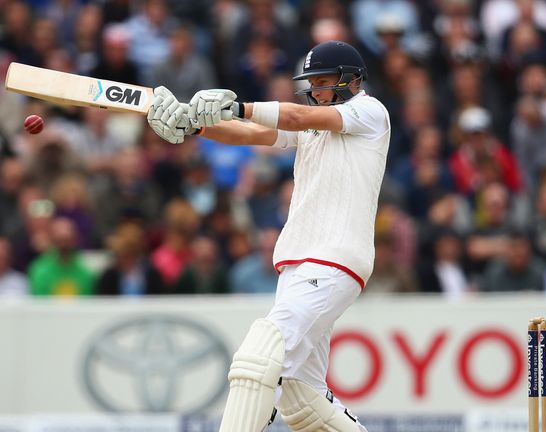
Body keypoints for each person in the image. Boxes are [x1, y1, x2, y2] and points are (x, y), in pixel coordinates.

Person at [147, 40, 388, 432]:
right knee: (301, 396)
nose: (316, 91)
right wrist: (193, 124)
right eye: (312, 84)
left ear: (351, 80)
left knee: (260, 355)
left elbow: (287, 117)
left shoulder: (368, 112)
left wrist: (237, 105)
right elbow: (247, 134)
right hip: (301, 263)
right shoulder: (313, 125)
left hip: (332, 259)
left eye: (324, 82)